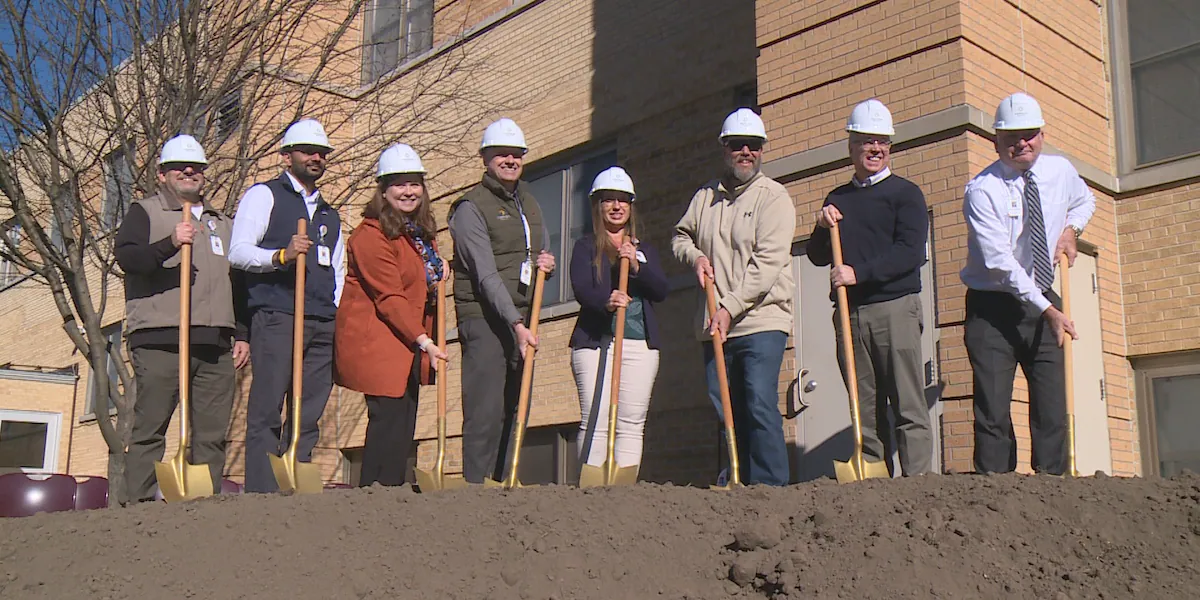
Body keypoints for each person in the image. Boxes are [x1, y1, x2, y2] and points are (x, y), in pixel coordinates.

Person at [960, 92, 1096, 475]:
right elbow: (1000, 263)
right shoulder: (982, 189)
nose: (1022, 143)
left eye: (1030, 134)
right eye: (1011, 136)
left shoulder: (1060, 171)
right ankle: (996, 490)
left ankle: (1053, 485)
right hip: (992, 307)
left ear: (1041, 134)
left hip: (1043, 297)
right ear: (996, 141)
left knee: (1052, 401)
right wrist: (1049, 309)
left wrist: (1071, 230)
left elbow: (1085, 202)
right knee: (993, 406)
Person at [115, 134, 250, 502]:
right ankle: (138, 506)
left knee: (211, 432)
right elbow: (128, 260)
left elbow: (237, 283)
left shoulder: (222, 222)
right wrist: (170, 243)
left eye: (196, 168)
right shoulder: (144, 212)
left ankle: (202, 509)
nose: (189, 172)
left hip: (215, 343)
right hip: (160, 338)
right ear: (162, 174)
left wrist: (242, 332)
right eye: (179, 168)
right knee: (151, 425)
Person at [806, 99, 933, 477]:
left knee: (908, 404)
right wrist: (820, 224)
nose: (875, 149)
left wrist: (856, 274)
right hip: (850, 316)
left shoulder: (906, 195)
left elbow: (909, 253)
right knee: (864, 408)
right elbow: (815, 256)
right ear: (852, 146)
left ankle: (918, 484)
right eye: (866, 141)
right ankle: (875, 484)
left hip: (896, 309)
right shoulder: (838, 199)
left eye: (882, 142)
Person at [671, 108, 796, 486]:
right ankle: (738, 482)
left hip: (761, 320)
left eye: (754, 146)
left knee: (758, 401)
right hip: (714, 325)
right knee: (726, 409)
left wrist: (729, 308)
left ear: (762, 151)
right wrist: (695, 257)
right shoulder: (705, 197)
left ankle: (770, 487)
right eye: (738, 145)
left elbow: (767, 263)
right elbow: (680, 237)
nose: (746, 152)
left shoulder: (773, 198)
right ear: (724, 149)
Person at [228, 118, 345, 493]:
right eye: (308, 151)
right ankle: (262, 490)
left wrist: (334, 308)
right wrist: (280, 256)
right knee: (268, 405)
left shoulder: (330, 214)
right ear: (287, 155)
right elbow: (239, 252)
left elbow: (339, 270)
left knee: (309, 410)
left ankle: (295, 484)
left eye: (321, 153)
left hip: (321, 320)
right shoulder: (265, 195)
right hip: (278, 314)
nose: (316, 158)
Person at [448, 117, 556, 484]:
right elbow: (485, 274)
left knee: (516, 404)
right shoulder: (469, 208)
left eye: (517, 155)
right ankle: (478, 488)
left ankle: (505, 483)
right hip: (485, 318)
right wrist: (515, 322)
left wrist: (547, 262)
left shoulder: (529, 201)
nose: (510, 160)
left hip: (521, 318)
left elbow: (538, 249)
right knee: (485, 409)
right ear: (485, 158)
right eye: (501, 155)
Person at [334, 144, 449, 487]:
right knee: (387, 420)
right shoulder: (370, 236)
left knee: (404, 422)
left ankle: (392, 494)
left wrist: (442, 271)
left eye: (415, 184)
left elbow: (420, 285)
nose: (408, 191)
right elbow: (389, 297)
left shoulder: (420, 236)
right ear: (383, 190)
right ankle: (374, 494)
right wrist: (425, 341)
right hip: (379, 342)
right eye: (399, 184)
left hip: (408, 343)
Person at [569, 166, 669, 473]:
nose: (616, 206)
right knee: (596, 417)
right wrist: (607, 301)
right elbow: (582, 288)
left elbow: (662, 289)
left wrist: (637, 266)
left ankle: (623, 488)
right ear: (598, 205)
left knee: (631, 421)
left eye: (623, 200)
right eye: (609, 200)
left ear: (631, 205)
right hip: (597, 343)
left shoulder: (643, 249)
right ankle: (593, 485)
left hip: (639, 344)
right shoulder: (586, 246)